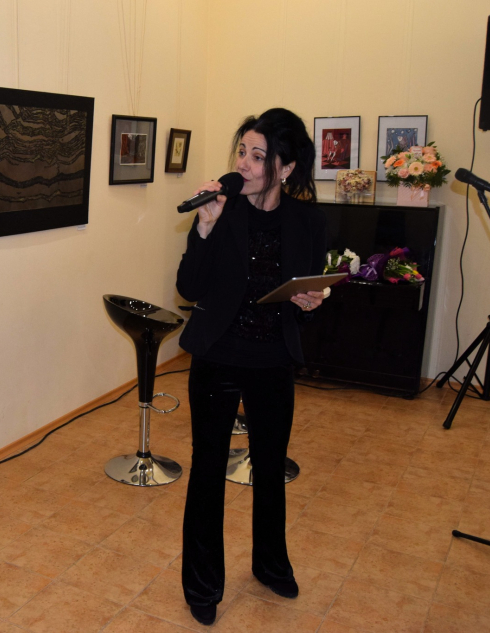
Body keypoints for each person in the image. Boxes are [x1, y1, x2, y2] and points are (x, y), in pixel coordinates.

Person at [175, 108, 326, 626]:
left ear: (286, 167)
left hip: (273, 361)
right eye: (242, 151)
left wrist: (311, 301)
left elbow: (308, 293)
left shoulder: (308, 220)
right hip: (216, 357)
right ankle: (202, 585)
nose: (244, 163)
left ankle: (270, 564)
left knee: (270, 465)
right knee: (207, 470)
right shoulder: (221, 209)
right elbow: (189, 288)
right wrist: (204, 226)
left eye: (258, 156)